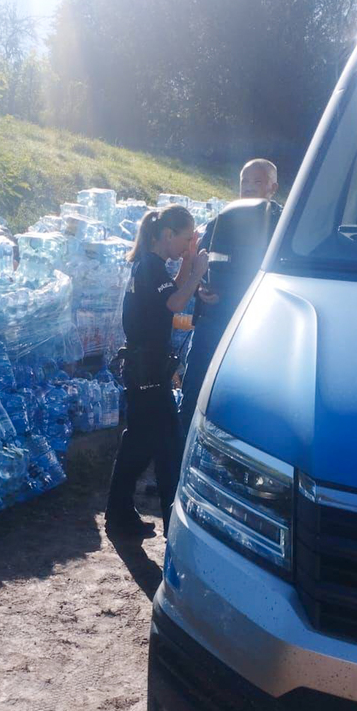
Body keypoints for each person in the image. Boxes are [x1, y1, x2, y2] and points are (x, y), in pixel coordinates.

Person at [105, 205, 210, 539]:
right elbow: (176, 302)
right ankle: (171, 521)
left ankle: (119, 512)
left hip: (145, 367)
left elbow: (173, 290)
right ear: (167, 234)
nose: (185, 244)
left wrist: (190, 262)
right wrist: (198, 271)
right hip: (146, 368)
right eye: (185, 238)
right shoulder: (150, 267)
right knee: (165, 441)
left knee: (142, 439)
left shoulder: (152, 266)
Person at [179, 159, 283, 431]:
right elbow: (199, 260)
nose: (248, 187)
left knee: (243, 405)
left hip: (255, 331)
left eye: (257, 182)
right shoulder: (222, 220)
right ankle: (177, 464)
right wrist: (201, 286)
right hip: (211, 324)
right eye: (244, 182)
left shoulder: (283, 227)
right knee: (194, 395)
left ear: (273, 187)